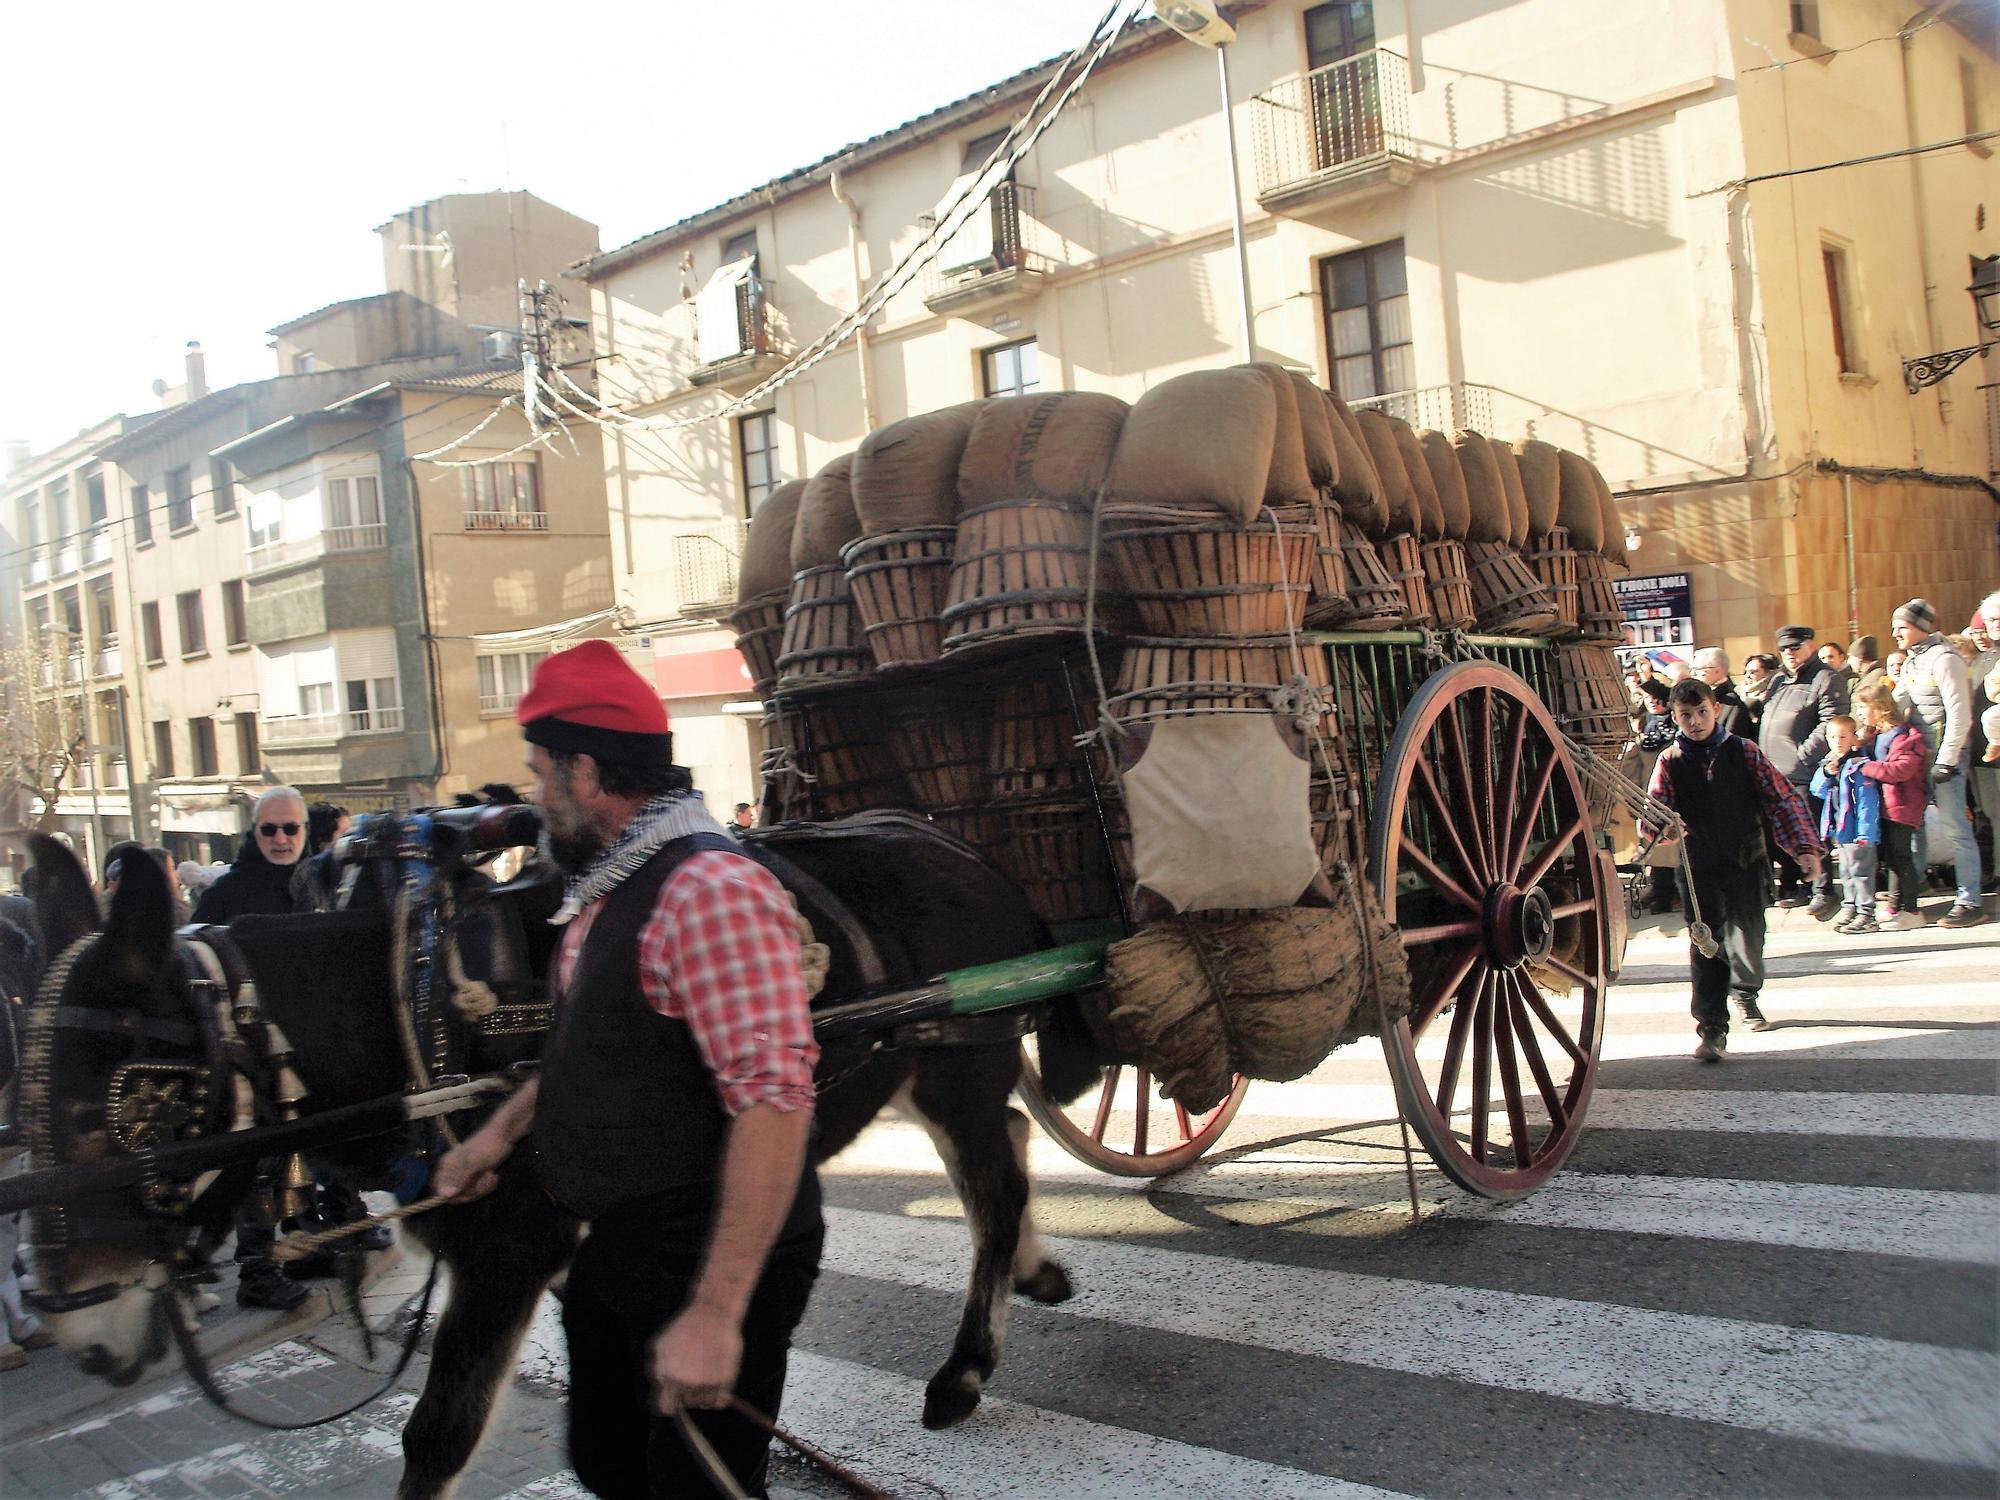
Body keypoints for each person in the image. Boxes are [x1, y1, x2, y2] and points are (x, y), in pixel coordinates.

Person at [436, 640, 821, 1498]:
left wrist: (716, 1317)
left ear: (586, 772)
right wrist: (492, 1139)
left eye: (542, 774)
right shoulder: (614, 884)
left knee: (694, 1489)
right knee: (609, 1464)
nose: (536, 797)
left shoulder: (707, 889)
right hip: (626, 1246)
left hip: (703, 1255)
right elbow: (591, 1049)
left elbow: (775, 1107)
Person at [1650, 678, 1823, 1060]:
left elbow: (1783, 800)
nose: (1694, 722)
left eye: (1701, 713)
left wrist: (1805, 849)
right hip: (1698, 865)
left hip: (1746, 856)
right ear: (1675, 717)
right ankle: (1712, 1027)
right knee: (1706, 945)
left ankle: (1746, 993)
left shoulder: (1744, 751)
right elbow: (1654, 813)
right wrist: (1662, 827)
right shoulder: (1670, 760)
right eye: (1685, 716)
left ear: (1715, 708)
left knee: (1749, 937)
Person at [1890, 598, 1985, 927]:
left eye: (1900, 626)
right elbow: (1898, 700)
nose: (1894, 633)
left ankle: (1969, 900)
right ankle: (1914, 894)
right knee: (1914, 829)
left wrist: (1947, 759)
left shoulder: (1946, 660)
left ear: (1920, 627)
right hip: (1917, 761)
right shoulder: (1914, 661)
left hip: (1944, 762)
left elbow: (1960, 714)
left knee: (1957, 829)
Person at [1757, 624, 1843, 916]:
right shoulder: (1779, 679)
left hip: (1801, 771)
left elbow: (1830, 722)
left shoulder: (1825, 677)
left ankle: (1823, 888)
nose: (1790, 653)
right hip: (1772, 771)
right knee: (1784, 833)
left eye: (1795, 647)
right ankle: (1802, 887)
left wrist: (1802, 757)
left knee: (1810, 832)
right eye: (1784, 649)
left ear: (1810, 645)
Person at [1855, 680, 1931, 931]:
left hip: (1902, 805)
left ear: (1878, 707)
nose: (1859, 713)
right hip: (1886, 806)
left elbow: (1901, 769)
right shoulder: (1878, 736)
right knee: (1891, 858)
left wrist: (1865, 767)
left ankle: (1912, 909)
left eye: (1862, 707)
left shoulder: (1905, 736)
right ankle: (1895, 905)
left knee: (1902, 858)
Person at [193, 789, 308, 924]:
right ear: (254, 831)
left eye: (291, 829)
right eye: (268, 829)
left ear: (306, 830)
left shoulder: (323, 885)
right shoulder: (222, 894)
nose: (280, 839)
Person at [1812, 716, 1882, 933]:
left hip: (1857, 830)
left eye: (1843, 736)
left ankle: (1866, 913)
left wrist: (1866, 832)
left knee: (1861, 872)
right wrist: (1826, 773)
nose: (1838, 741)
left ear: (1854, 738)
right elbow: (1817, 790)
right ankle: (1850, 907)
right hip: (1839, 830)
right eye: (1833, 737)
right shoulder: (1831, 763)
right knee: (1846, 872)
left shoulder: (1860, 765)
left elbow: (1867, 802)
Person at [1692, 647, 1752, 737]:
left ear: (1718, 671)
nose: (1693, 673)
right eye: (1692, 669)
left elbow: (1731, 743)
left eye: (1699, 669)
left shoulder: (1732, 704)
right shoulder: (1699, 697)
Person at [1738, 652, 1779, 738]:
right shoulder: (1738, 692)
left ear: (1769, 673)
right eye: (1745, 672)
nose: (1747, 676)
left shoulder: (1778, 693)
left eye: (1753, 672)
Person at [1849, 634, 1886, 713]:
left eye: (1851, 657)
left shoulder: (1875, 677)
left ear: (1860, 658)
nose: (1849, 661)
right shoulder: (1871, 675)